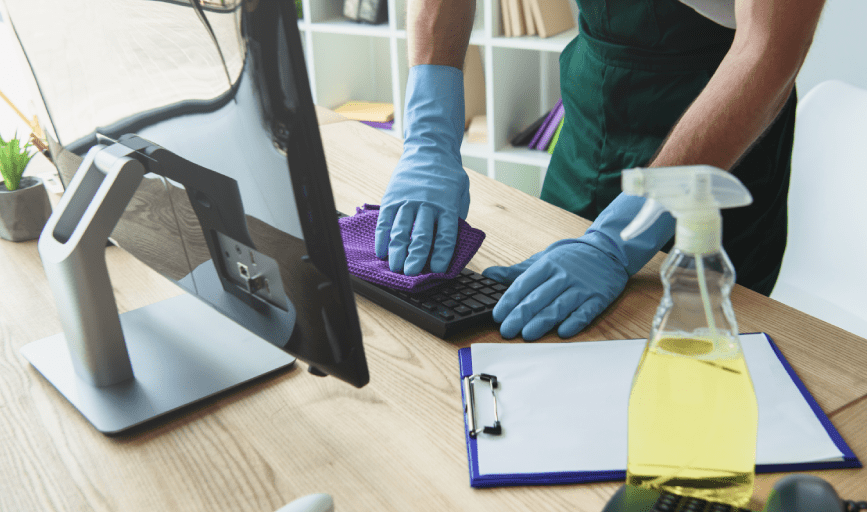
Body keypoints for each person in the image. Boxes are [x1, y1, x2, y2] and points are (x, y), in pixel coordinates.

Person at [374, 0, 826, 341]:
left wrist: (621, 238)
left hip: (717, 136)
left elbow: (769, 47)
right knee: (540, 336)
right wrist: (428, 136)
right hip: (592, 113)